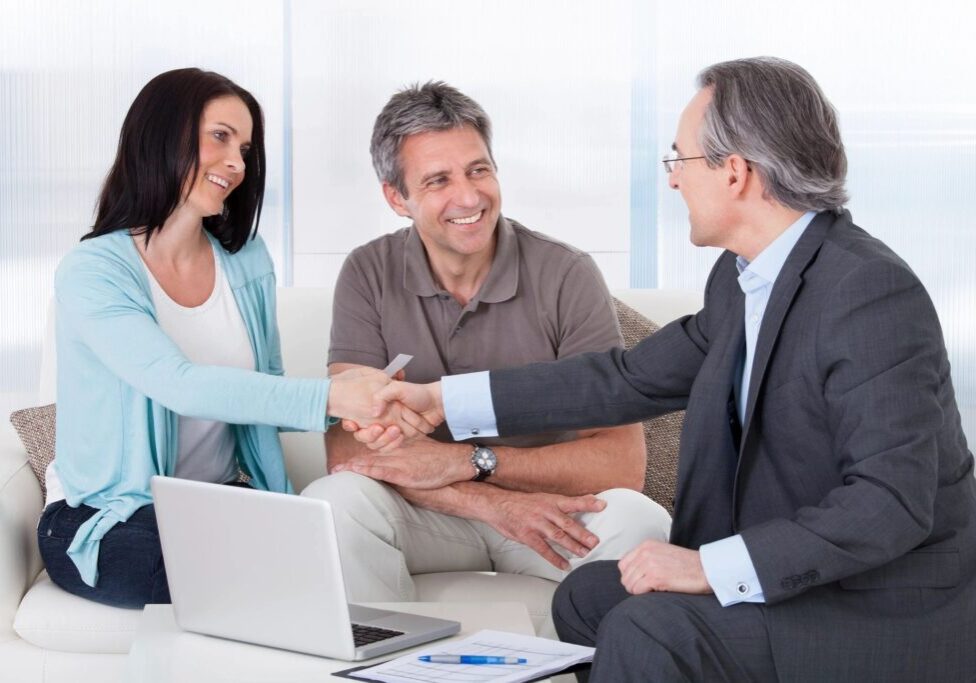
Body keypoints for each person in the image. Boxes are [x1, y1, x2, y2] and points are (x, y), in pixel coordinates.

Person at [367, 58, 976, 681]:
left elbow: (890, 504)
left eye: (679, 161)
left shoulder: (866, 291)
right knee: (588, 597)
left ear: (734, 171)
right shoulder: (743, 281)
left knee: (647, 625)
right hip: (809, 587)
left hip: (881, 612)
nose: (673, 181)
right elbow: (625, 379)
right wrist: (441, 399)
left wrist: (707, 568)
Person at [40, 68, 429, 609]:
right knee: (196, 571)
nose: (236, 164)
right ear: (161, 135)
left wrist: (359, 405)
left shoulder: (245, 258)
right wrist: (333, 397)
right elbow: (178, 385)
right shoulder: (94, 271)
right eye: (220, 137)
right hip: (113, 515)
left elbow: (262, 390)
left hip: (220, 501)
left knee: (324, 552)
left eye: (244, 148)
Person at [301, 81, 670, 604]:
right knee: (335, 502)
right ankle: (384, 663)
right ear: (396, 197)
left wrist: (471, 462)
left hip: (548, 511)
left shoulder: (567, 273)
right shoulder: (368, 272)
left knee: (641, 522)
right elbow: (346, 449)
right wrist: (487, 504)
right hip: (431, 514)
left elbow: (622, 461)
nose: (469, 197)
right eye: (438, 180)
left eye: (479, 170)